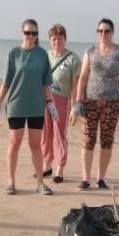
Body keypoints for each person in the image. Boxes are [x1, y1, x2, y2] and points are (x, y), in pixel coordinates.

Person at [0, 19, 58, 196]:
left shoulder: (42, 55)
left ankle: (40, 183)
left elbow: (46, 83)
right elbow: (7, 80)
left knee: (35, 145)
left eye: (34, 33)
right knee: (14, 143)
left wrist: (51, 104)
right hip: (16, 105)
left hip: (37, 106)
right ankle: (11, 182)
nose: (31, 36)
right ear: (22, 33)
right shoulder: (13, 53)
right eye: (28, 32)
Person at [70, 18, 119, 190]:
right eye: (100, 31)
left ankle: (101, 178)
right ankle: (85, 179)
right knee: (88, 140)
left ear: (112, 32)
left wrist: (113, 87)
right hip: (89, 101)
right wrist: (78, 101)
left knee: (106, 140)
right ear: (97, 33)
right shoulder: (90, 51)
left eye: (107, 31)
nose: (103, 34)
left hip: (111, 103)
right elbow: (82, 77)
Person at [40, 23, 81, 183]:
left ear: (65, 39)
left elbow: (76, 86)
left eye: (60, 38)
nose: (57, 42)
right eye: (54, 39)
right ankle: (47, 165)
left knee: (59, 133)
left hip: (62, 100)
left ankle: (60, 168)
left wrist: (75, 106)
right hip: (44, 99)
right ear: (50, 40)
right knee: (45, 133)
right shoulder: (45, 56)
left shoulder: (73, 59)